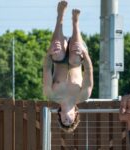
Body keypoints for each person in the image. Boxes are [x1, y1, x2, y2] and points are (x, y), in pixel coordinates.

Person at [43, 0, 93, 133]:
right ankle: (75, 23)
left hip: (58, 60)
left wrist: (49, 53)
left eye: (64, 120)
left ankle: (60, 16)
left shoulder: (51, 95)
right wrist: (85, 54)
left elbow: (47, 69)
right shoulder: (83, 96)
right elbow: (88, 71)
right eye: (69, 120)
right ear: (76, 115)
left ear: (59, 115)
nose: (67, 119)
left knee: (57, 54)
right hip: (77, 57)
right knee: (75, 58)